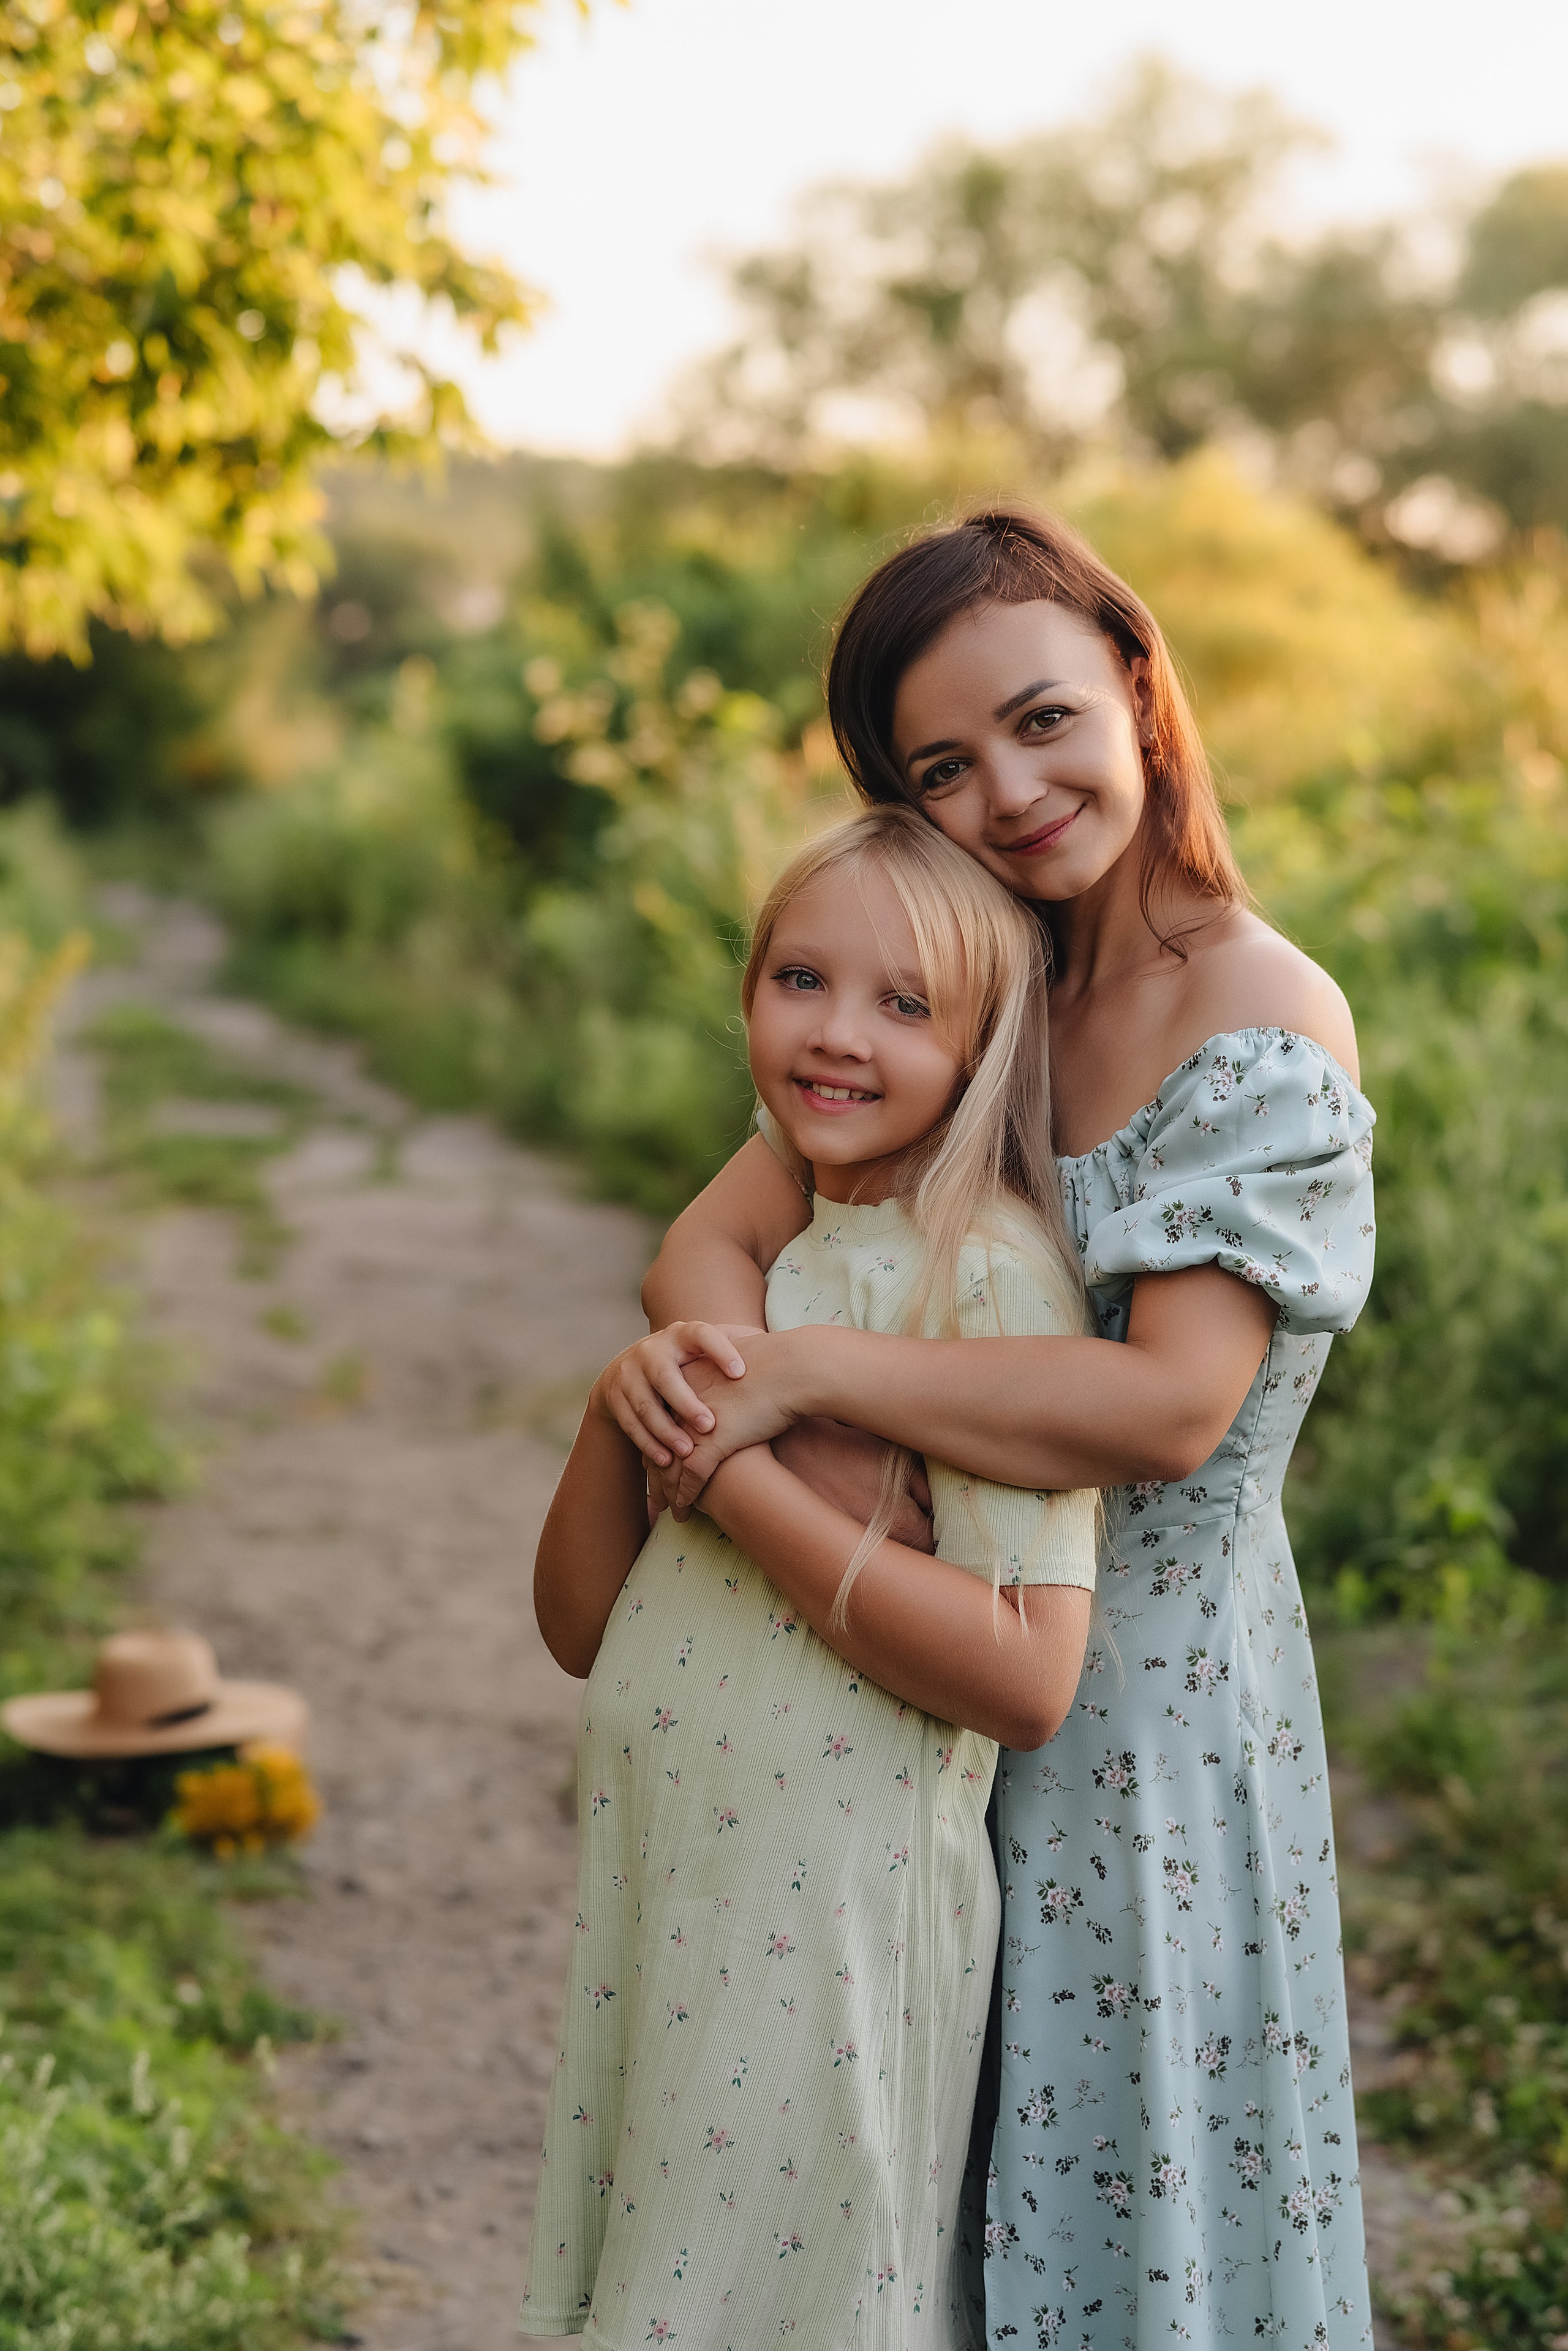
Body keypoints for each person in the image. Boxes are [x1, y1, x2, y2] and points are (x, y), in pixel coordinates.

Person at [605, 508, 1377, 2346]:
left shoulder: (1260, 1011)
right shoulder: (986, 983)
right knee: (884, 2220)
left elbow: (1173, 1405)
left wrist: (812, 1384)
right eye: (942, 767)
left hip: (1143, 1739)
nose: (1012, 792)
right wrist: (754, 1426)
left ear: (1136, 678)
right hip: (896, 1691)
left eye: (1042, 719)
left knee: (1112, 2237)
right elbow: (714, 1235)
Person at [522, 805, 1099, 2350]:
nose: (836, 1035)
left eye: (904, 1005)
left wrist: (743, 1484)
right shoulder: (783, 1235)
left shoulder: (979, 1276)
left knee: (791, 2301)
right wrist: (612, 1408)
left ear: (983, 1046)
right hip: (679, 1882)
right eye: (799, 977)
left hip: (838, 1908)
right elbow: (582, 1628)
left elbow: (1029, 1676)